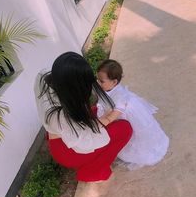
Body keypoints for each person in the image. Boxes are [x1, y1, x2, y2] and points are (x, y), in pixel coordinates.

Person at [34, 52, 133, 182]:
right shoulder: (60, 114)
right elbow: (86, 142)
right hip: (68, 151)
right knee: (124, 128)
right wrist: (109, 118)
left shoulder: (47, 77)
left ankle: (92, 165)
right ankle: (91, 171)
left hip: (63, 131)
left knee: (97, 110)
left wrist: (103, 118)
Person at [96, 59, 169, 167]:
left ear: (114, 82)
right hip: (115, 109)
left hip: (128, 114)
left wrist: (102, 122)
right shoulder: (107, 88)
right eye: (98, 79)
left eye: (101, 81)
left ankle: (141, 152)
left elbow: (115, 113)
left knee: (136, 133)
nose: (98, 83)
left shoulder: (121, 96)